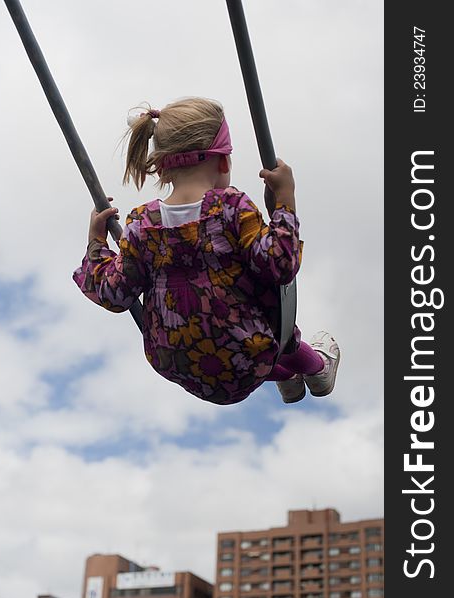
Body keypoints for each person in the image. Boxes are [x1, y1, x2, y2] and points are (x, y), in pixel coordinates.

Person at [73, 97, 340, 405]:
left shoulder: (140, 225)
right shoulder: (231, 208)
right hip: (250, 351)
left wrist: (96, 243)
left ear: (161, 168)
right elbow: (280, 265)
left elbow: (113, 293)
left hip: (181, 364)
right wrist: (284, 202)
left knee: (217, 326)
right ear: (223, 161)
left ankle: (288, 378)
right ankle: (317, 368)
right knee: (253, 306)